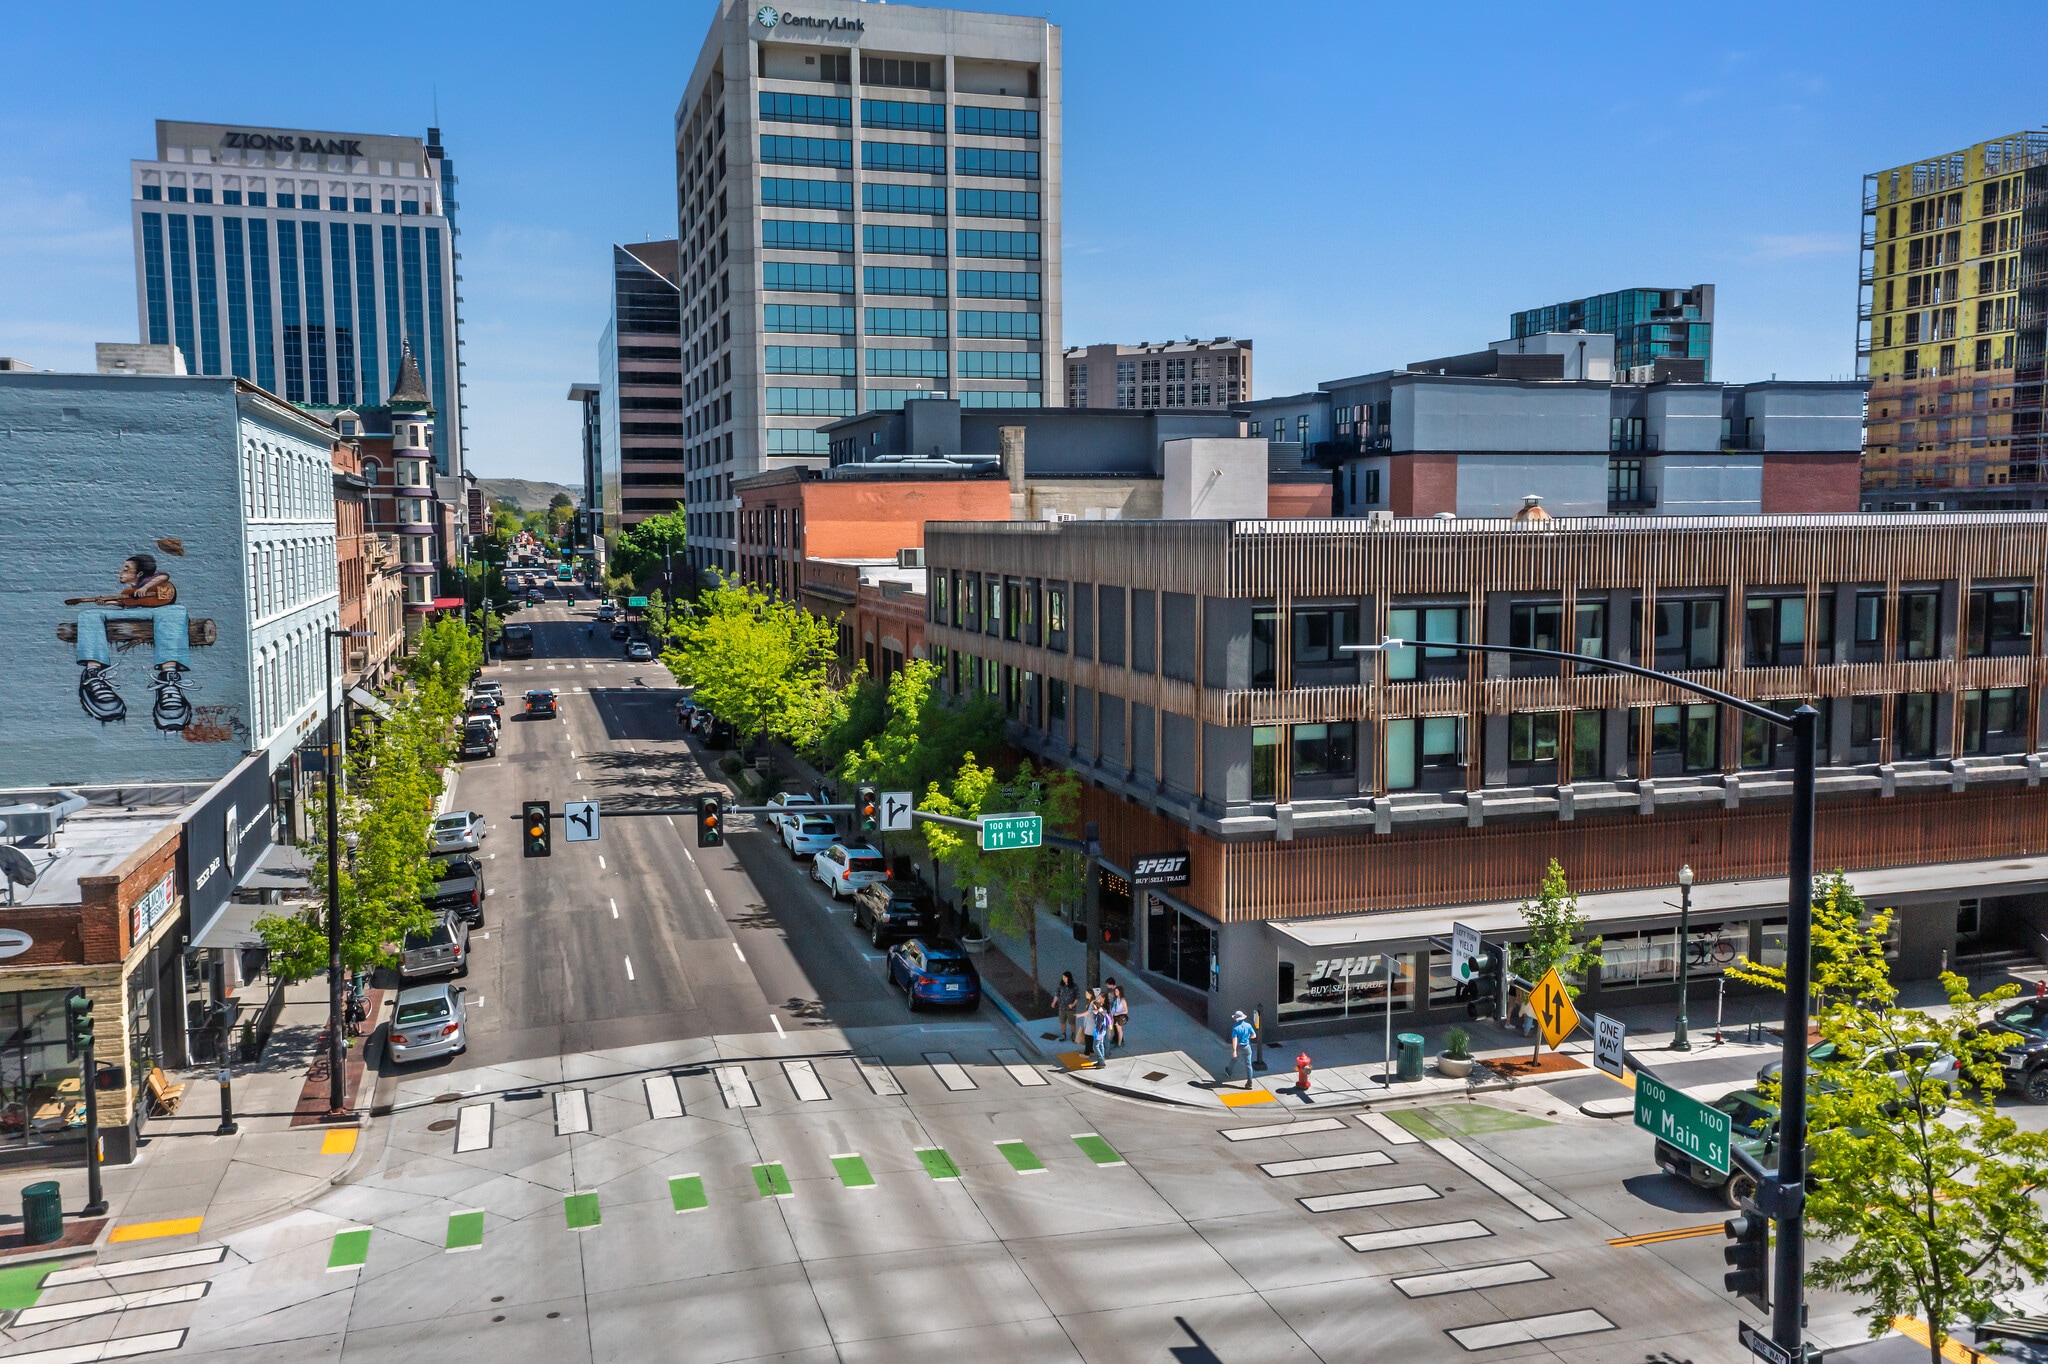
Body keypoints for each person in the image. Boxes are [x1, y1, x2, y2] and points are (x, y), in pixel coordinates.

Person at [66, 550, 191, 730]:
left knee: (176, 611)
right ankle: (92, 675)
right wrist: (109, 602)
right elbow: (128, 602)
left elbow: (164, 575)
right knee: (88, 615)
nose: (121, 572)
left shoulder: (151, 582)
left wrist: (145, 588)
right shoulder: (128, 591)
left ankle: (169, 677)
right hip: (134, 612)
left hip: (159, 611)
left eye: (126, 569)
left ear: (139, 574)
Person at [1229, 1009, 1258, 1089]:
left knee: (1234, 1060)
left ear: (1236, 1019)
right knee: (1249, 1065)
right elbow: (1254, 1035)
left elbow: (1234, 1039)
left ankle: (1229, 1071)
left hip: (1239, 1047)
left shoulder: (1235, 1028)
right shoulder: (1248, 1025)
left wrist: (1234, 1051)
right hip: (1247, 1047)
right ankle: (1249, 1083)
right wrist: (1248, 1037)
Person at [1054, 971, 1080, 1043]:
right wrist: (1054, 1002)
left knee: (1072, 1022)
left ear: (1069, 978)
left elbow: (1077, 997)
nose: (1064, 978)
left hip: (1071, 1009)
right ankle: (1063, 1034)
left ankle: (1073, 1034)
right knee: (1062, 1022)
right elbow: (1057, 995)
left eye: (1065, 977)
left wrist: (1073, 1004)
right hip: (1062, 1007)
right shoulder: (1060, 986)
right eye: (1063, 977)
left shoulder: (1074, 986)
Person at [1075, 991, 1097, 1062]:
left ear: (1090, 994)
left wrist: (1079, 1015)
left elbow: (1088, 1012)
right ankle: (1091, 1051)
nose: (1086, 995)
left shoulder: (1092, 1003)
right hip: (1089, 1023)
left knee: (1088, 1038)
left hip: (1090, 1023)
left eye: (1087, 994)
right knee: (1090, 1038)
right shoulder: (1090, 1002)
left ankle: (1086, 1053)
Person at [1091, 990, 1111, 1064]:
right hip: (1103, 1031)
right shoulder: (1101, 1011)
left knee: (1096, 1046)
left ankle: (1101, 1060)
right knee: (1101, 1045)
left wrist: (1098, 1033)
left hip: (1100, 1031)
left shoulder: (1101, 1013)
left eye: (1100, 998)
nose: (1098, 999)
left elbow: (1099, 1023)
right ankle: (1101, 1060)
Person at [1109, 984, 1129, 1051]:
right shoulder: (1116, 999)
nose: (1115, 992)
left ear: (1120, 992)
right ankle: (1116, 1040)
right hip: (1114, 1016)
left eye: (1117, 991)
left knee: (1119, 1030)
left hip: (1119, 1017)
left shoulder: (1122, 1000)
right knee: (1115, 1030)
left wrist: (1118, 1013)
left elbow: (1126, 1011)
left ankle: (1119, 1043)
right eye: (1115, 991)